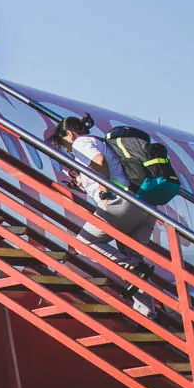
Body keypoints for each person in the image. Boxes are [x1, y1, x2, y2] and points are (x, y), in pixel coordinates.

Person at [47, 116, 159, 282]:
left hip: (121, 203)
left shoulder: (80, 143)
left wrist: (103, 191)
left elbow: (99, 162)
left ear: (70, 134)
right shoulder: (100, 142)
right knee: (135, 268)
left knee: (84, 243)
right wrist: (83, 184)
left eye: (63, 144)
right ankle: (145, 307)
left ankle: (132, 266)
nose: (67, 150)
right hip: (143, 205)